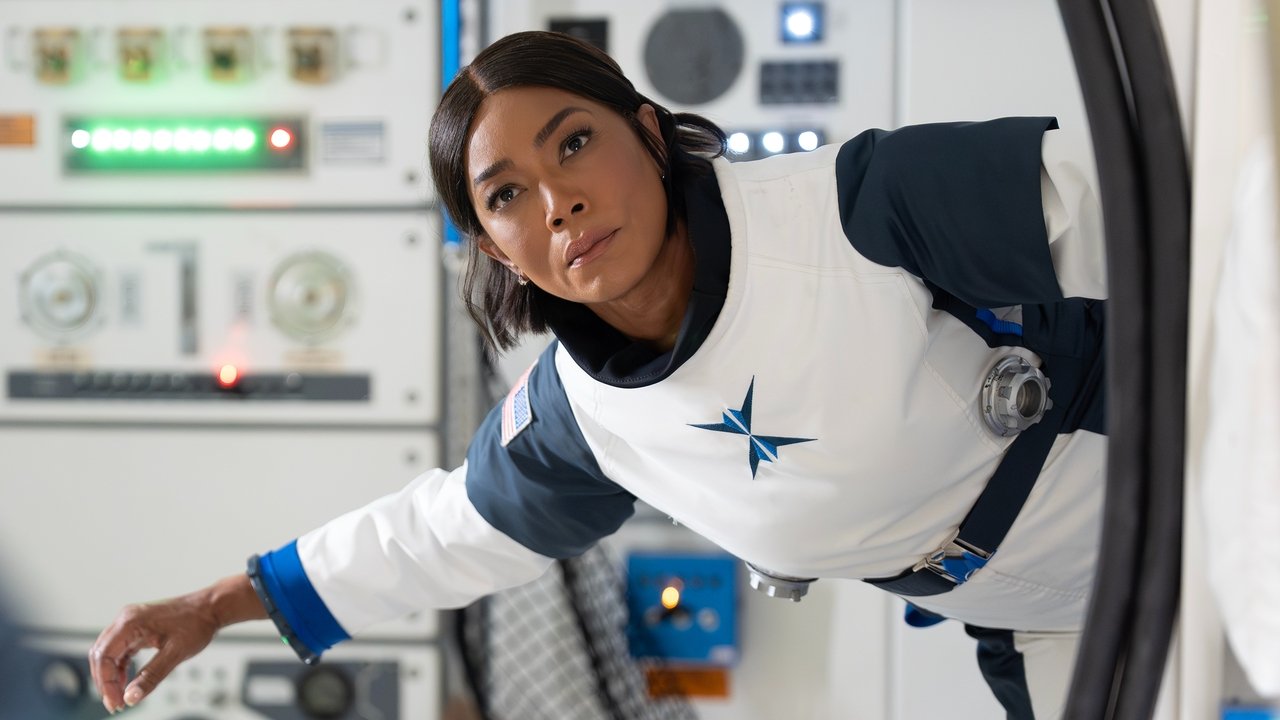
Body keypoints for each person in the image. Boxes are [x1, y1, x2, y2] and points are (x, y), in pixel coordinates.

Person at [90, 30, 1107, 719]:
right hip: (1037, 623)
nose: (558, 204)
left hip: (1140, 464)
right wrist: (214, 606)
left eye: (574, 144)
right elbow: (435, 534)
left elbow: (1141, 227)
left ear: (648, 131)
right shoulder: (583, 420)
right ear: (493, 249)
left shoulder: (845, 205)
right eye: (506, 196)